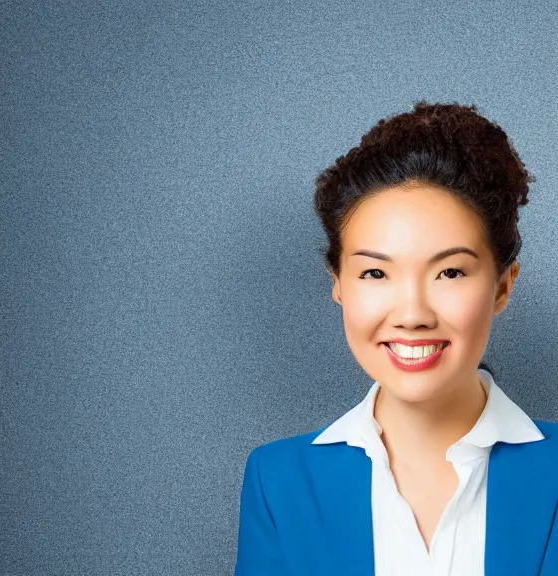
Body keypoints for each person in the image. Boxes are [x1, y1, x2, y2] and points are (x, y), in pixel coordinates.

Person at [234, 102, 558, 575]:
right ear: (339, 283)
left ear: (503, 286)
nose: (411, 315)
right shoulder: (279, 483)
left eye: (449, 271)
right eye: (375, 272)